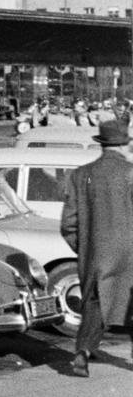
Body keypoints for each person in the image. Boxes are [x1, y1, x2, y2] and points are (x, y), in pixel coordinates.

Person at [59, 118, 133, 377]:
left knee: (93, 304)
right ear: (124, 144)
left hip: (95, 256)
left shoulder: (80, 175)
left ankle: (82, 353)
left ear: (102, 145)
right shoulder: (131, 172)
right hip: (130, 255)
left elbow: (68, 224)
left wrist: (85, 249)